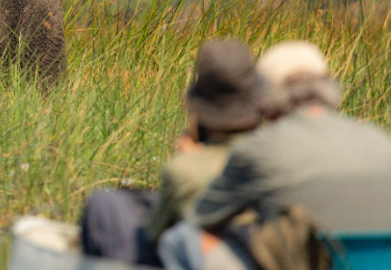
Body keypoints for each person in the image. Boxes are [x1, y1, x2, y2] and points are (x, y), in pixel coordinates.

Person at [159, 40, 391, 269]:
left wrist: (193, 159)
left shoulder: (262, 147)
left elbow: (199, 216)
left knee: (183, 237)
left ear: (267, 96)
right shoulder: (382, 141)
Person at [80, 39, 261, 266]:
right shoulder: (276, 157)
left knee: (105, 205)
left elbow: (153, 232)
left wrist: (190, 160)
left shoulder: (185, 171)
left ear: (198, 110)